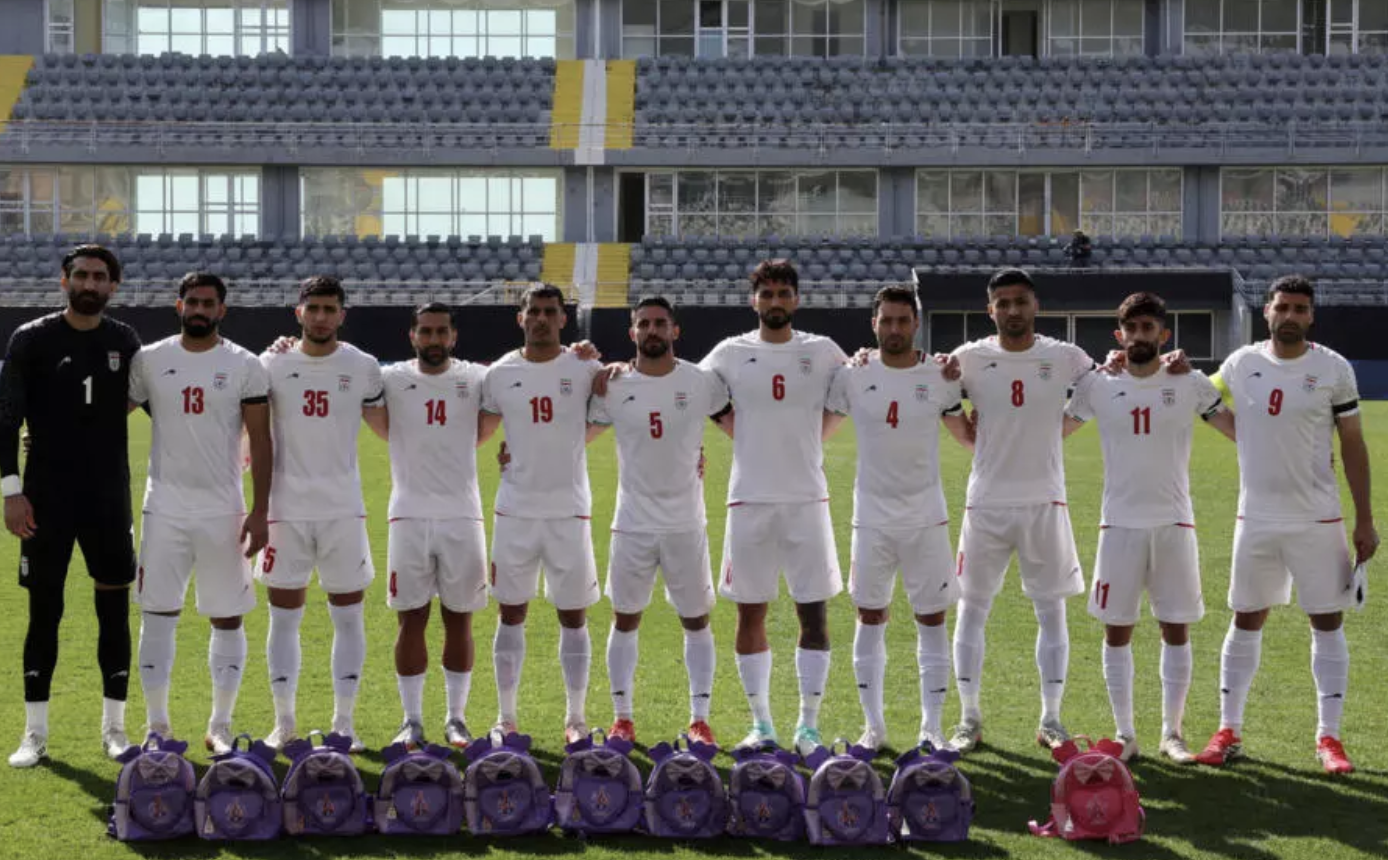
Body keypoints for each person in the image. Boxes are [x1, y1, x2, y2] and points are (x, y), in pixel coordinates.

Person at [1195, 275, 1378, 774]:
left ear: (1311, 316)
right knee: (1245, 619)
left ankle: (1329, 738)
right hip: (1255, 518)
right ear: (1267, 312)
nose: (1290, 316)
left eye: (1300, 308)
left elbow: (1353, 444)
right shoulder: (1241, 362)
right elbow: (1202, 395)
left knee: (1327, 621)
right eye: (1282, 307)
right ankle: (1228, 730)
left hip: (1318, 518)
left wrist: (1365, 519)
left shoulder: (1333, 368)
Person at [1062, 291, 1235, 763]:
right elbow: (1054, 431)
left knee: (1175, 628)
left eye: (1148, 328)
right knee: (1116, 631)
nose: (1140, 336)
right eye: (1132, 329)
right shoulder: (1098, 385)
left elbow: (1239, 430)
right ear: (1119, 335)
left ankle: (1172, 733)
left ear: (1164, 334)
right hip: (1118, 525)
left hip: (1174, 523)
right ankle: (1125, 734)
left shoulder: (1190, 382)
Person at [700, 259, 848, 755]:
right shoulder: (729, 352)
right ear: (754, 301)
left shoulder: (822, 351)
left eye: (784, 293)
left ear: (797, 299)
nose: (775, 301)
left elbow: (856, 386)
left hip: (807, 499)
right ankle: (762, 724)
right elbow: (688, 389)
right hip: (749, 500)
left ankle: (808, 727)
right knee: (750, 614)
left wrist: (816, 438)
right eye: (767, 294)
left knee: (814, 615)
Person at [2, 244, 141, 767]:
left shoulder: (124, 340)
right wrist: (11, 492)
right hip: (45, 498)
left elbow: (159, 392)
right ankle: (34, 733)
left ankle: (115, 729)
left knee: (114, 611)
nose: (90, 283)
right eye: (81, 275)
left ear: (113, 286)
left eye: (100, 277)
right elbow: (6, 419)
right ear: (64, 281)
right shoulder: (31, 338)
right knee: (44, 611)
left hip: (108, 497)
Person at [946, 268, 1095, 754]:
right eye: (1003, 302)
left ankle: (1051, 718)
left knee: (1051, 609)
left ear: (1035, 306)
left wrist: (1060, 429)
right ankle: (968, 718)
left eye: (1020, 301)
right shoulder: (969, 358)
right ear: (990, 309)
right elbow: (939, 398)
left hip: (1044, 502)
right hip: (986, 503)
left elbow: (1104, 386)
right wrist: (970, 437)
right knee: (972, 607)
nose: (1013, 310)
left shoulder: (1065, 356)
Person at [127, 273, 272, 754]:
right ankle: (157, 726)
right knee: (157, 615)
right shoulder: (149, 359)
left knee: (227, 618)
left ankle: (221, 724)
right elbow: (105, 417)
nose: (200, 310)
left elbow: (261, 439)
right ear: (179, 305)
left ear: (222, 310)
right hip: (164, 509)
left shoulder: (244, 364)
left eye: (209, 303)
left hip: (223, 510)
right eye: (192, 302)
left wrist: (261, 510)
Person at [826, 285, 972, 752]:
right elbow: (815, 432)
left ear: (916, 324)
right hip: (871, 519)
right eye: (886, 320)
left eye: (902, 320)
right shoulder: (852, 374)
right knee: (870, 616)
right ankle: (874, 729)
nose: (894, 328)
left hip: (926, 518)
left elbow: (968, 436)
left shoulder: (940, 375)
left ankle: (932, 728)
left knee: (931, 618)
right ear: (874, 324)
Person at [586, 296, 726, 745]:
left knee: (696, 620)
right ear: (632, 332)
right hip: (632, 523)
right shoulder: (614, 385)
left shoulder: (701, 382)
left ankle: (700, 719)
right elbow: (574, 435)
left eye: (660, 323)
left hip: (686, 523)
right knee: (625, 618)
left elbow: (738, 425)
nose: (652, 330)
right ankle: (622, 718)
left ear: (674, 330)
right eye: (643, 324)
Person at [257, 276, 385, 752]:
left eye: (330, 308)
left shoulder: (363, 366)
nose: (321, 316)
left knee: (348, 618)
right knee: (283, 619)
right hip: (285, 511)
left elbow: (395, 425)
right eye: (313, 308)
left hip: (342, 511)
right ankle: (284, 722)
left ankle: (344, 723)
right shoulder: (271, 363)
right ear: (299, 312)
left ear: (342, 315)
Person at [479, 284, 602, 744]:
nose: (542, 319)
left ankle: (576, 719)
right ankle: (505, 717)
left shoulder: (585, 367)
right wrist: (513, 453)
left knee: (574, 615)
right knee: (511, 612)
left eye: (551, 311)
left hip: (569, 511)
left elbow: (609, 413)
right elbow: (479, 431)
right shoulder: (499, 373)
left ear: (563, 319)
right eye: (534, 311)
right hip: (515, 511)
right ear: (521, 318)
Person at [376, 302, 495, 750]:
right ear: (412, 336)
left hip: (463, 515)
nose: (433, 339)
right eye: (425, 332)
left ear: (453, 336)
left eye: (441, 332)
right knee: (410, 620)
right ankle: (411, 720)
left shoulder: (477, 378)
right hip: (407, 515)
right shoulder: (389, 378)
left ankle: (456, 719)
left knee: (459, 620)